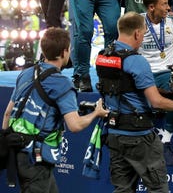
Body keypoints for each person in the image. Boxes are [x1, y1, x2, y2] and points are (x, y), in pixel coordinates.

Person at [2, 28, 109, 192]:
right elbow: (74, 126)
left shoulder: (26, 73)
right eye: (69, 49)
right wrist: (97, 113)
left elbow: (8, 113)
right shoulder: (62, 84)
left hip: (17, 150)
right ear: (64, 52)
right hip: (36, 157)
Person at [97, 12, 173, 192]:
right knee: (158, 189)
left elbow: (124, 86)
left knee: (122, 189)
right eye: (143, 33)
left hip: (114, 133)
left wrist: (167, 92)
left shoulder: (103, 57)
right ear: (137, 34)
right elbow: (156, 102)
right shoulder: (137, 61)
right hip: (139, 136)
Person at [139, 0, 173, 155]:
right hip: (143, 73)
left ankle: (168, 134)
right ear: (151, 7)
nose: (168, 8)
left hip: (166, 72)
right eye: (164, 4)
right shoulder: (137, 22)